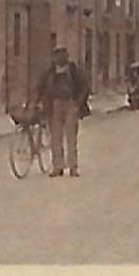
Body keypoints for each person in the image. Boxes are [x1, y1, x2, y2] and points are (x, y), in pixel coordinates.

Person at [36, 45, 91, 177]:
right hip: (54, 106)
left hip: (71, 104)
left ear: (66, 57)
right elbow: (40, 87)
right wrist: (37, 101)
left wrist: (79, 102)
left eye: (62, 56)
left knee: (71, 137)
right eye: (56, 56)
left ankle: (73, 167)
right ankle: (58, 167)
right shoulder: (49, 73)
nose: (59, 59)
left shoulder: (74, 71)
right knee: (55, 138)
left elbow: (85, 86)